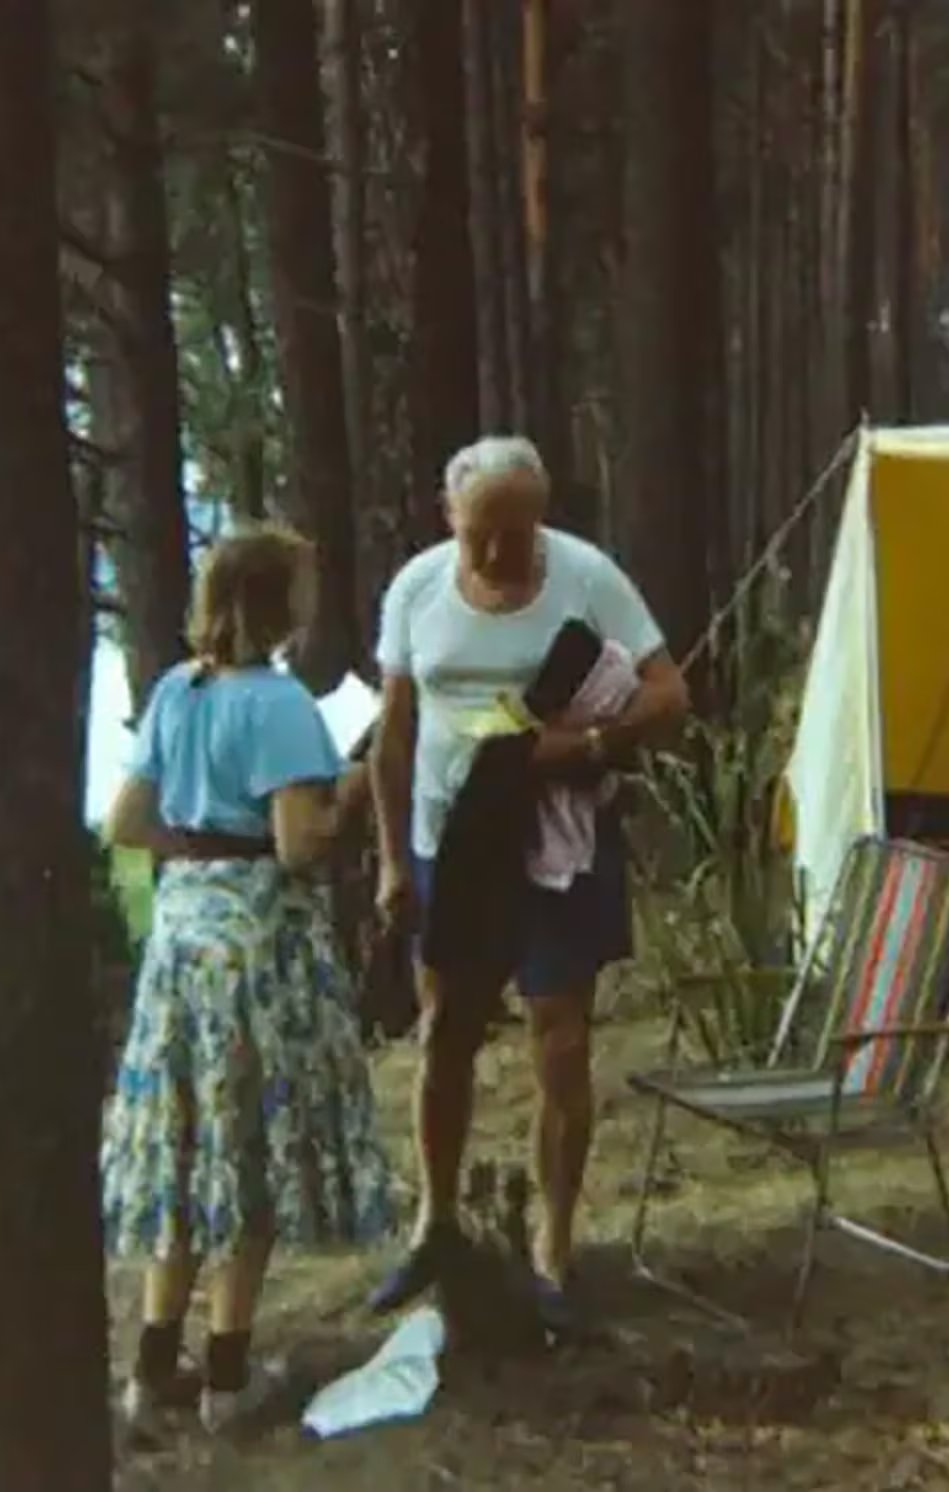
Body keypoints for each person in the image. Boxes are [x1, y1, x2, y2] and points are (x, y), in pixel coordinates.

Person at [367, 434, 691, 1331]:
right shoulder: (417, 589)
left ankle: (553, 1242)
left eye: (520, 532)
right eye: (482, 535)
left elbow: (671, 693)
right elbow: (394, 736)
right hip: (450, 841)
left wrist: (586, 748)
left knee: (561, 1038)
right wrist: (394, 858)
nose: (502, 554)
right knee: (447, 1030)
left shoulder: (588, 577)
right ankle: (435, 1222)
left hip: (556, 841)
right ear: (449, 517)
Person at [99, 524, 397, 1435]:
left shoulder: (176, 690)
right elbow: (298, 845)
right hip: (258, 953)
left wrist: (200, 846)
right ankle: (228, 1378)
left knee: (189, 1151)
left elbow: (125, 819)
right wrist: (352, 783)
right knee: (249, 1154)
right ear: (282, 605)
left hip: (182, 939)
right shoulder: (278, 705)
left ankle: (153, 1370)